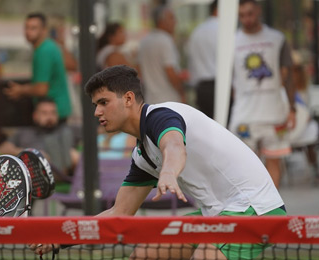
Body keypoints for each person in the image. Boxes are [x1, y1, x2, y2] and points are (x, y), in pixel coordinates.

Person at [32, 65, 286, 260]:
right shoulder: (143, 154)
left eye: (103, 102)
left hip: (254, 209)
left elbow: (174, 145)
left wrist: (168, 173)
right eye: (95, 105)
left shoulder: (162, 117)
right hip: (217, 214)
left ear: (128, 99)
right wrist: (60, 238)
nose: (97, 112)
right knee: (146, 254)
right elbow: (119, 214)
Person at [229, 0, 296, 189]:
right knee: (245, 165)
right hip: (244, 115)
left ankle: (272, 208)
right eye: (242, 15)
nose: (247, 19)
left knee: (274, 161)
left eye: (250, 13)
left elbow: (288, 75)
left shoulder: (277, 38)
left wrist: (292, 109)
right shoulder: (231, 41)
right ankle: (255, 210)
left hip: (274, 112)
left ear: (258, 10)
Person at [4, 12, 72, 123]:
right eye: (26, 28)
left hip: (52, 114)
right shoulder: (46, 47)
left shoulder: (44, 50)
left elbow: (41, 89)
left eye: (33, 28)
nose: (28, 32)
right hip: (55, 110)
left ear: (44, 30)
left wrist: (21, 90)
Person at [0, 98, 79, 180]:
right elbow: (3, 149)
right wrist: (32, 154)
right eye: (44, 113)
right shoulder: (25, 133)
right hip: (34, 177)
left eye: (53, 113)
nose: (49, 117)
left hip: (65, 175)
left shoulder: (67, 131)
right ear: (35, 116)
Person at [138, 6, 185, 104]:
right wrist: (181, 93)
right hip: (168, 100)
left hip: (150, 100)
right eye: (171, 18)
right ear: (161, 21)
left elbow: (139, 70)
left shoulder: (144, 41)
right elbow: (170, 71)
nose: (175, 22)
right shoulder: (165, 40)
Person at [186, 0, 218, 118]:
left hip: (201, 88)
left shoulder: (197, 31)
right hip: (219, 85)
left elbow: (191, 61)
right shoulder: (223, 29)